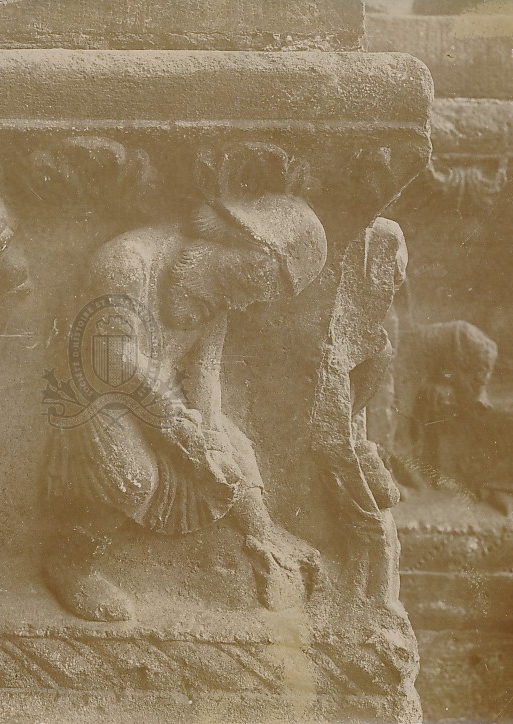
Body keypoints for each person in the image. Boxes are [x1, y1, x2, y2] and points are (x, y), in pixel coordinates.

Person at [42, 193, 328, 621]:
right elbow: (110, 356)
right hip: (95, 394)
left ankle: (266, 540)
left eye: (252, 297)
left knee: (234, 450)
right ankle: (71, 562)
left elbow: (204, 375)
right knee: (133, 477)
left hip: (160, 399)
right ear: (226, 240)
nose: (240, 302)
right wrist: (176, 420)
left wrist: (209, 436)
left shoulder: (216, 298)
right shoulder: (128, 262)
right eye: (243, 286)